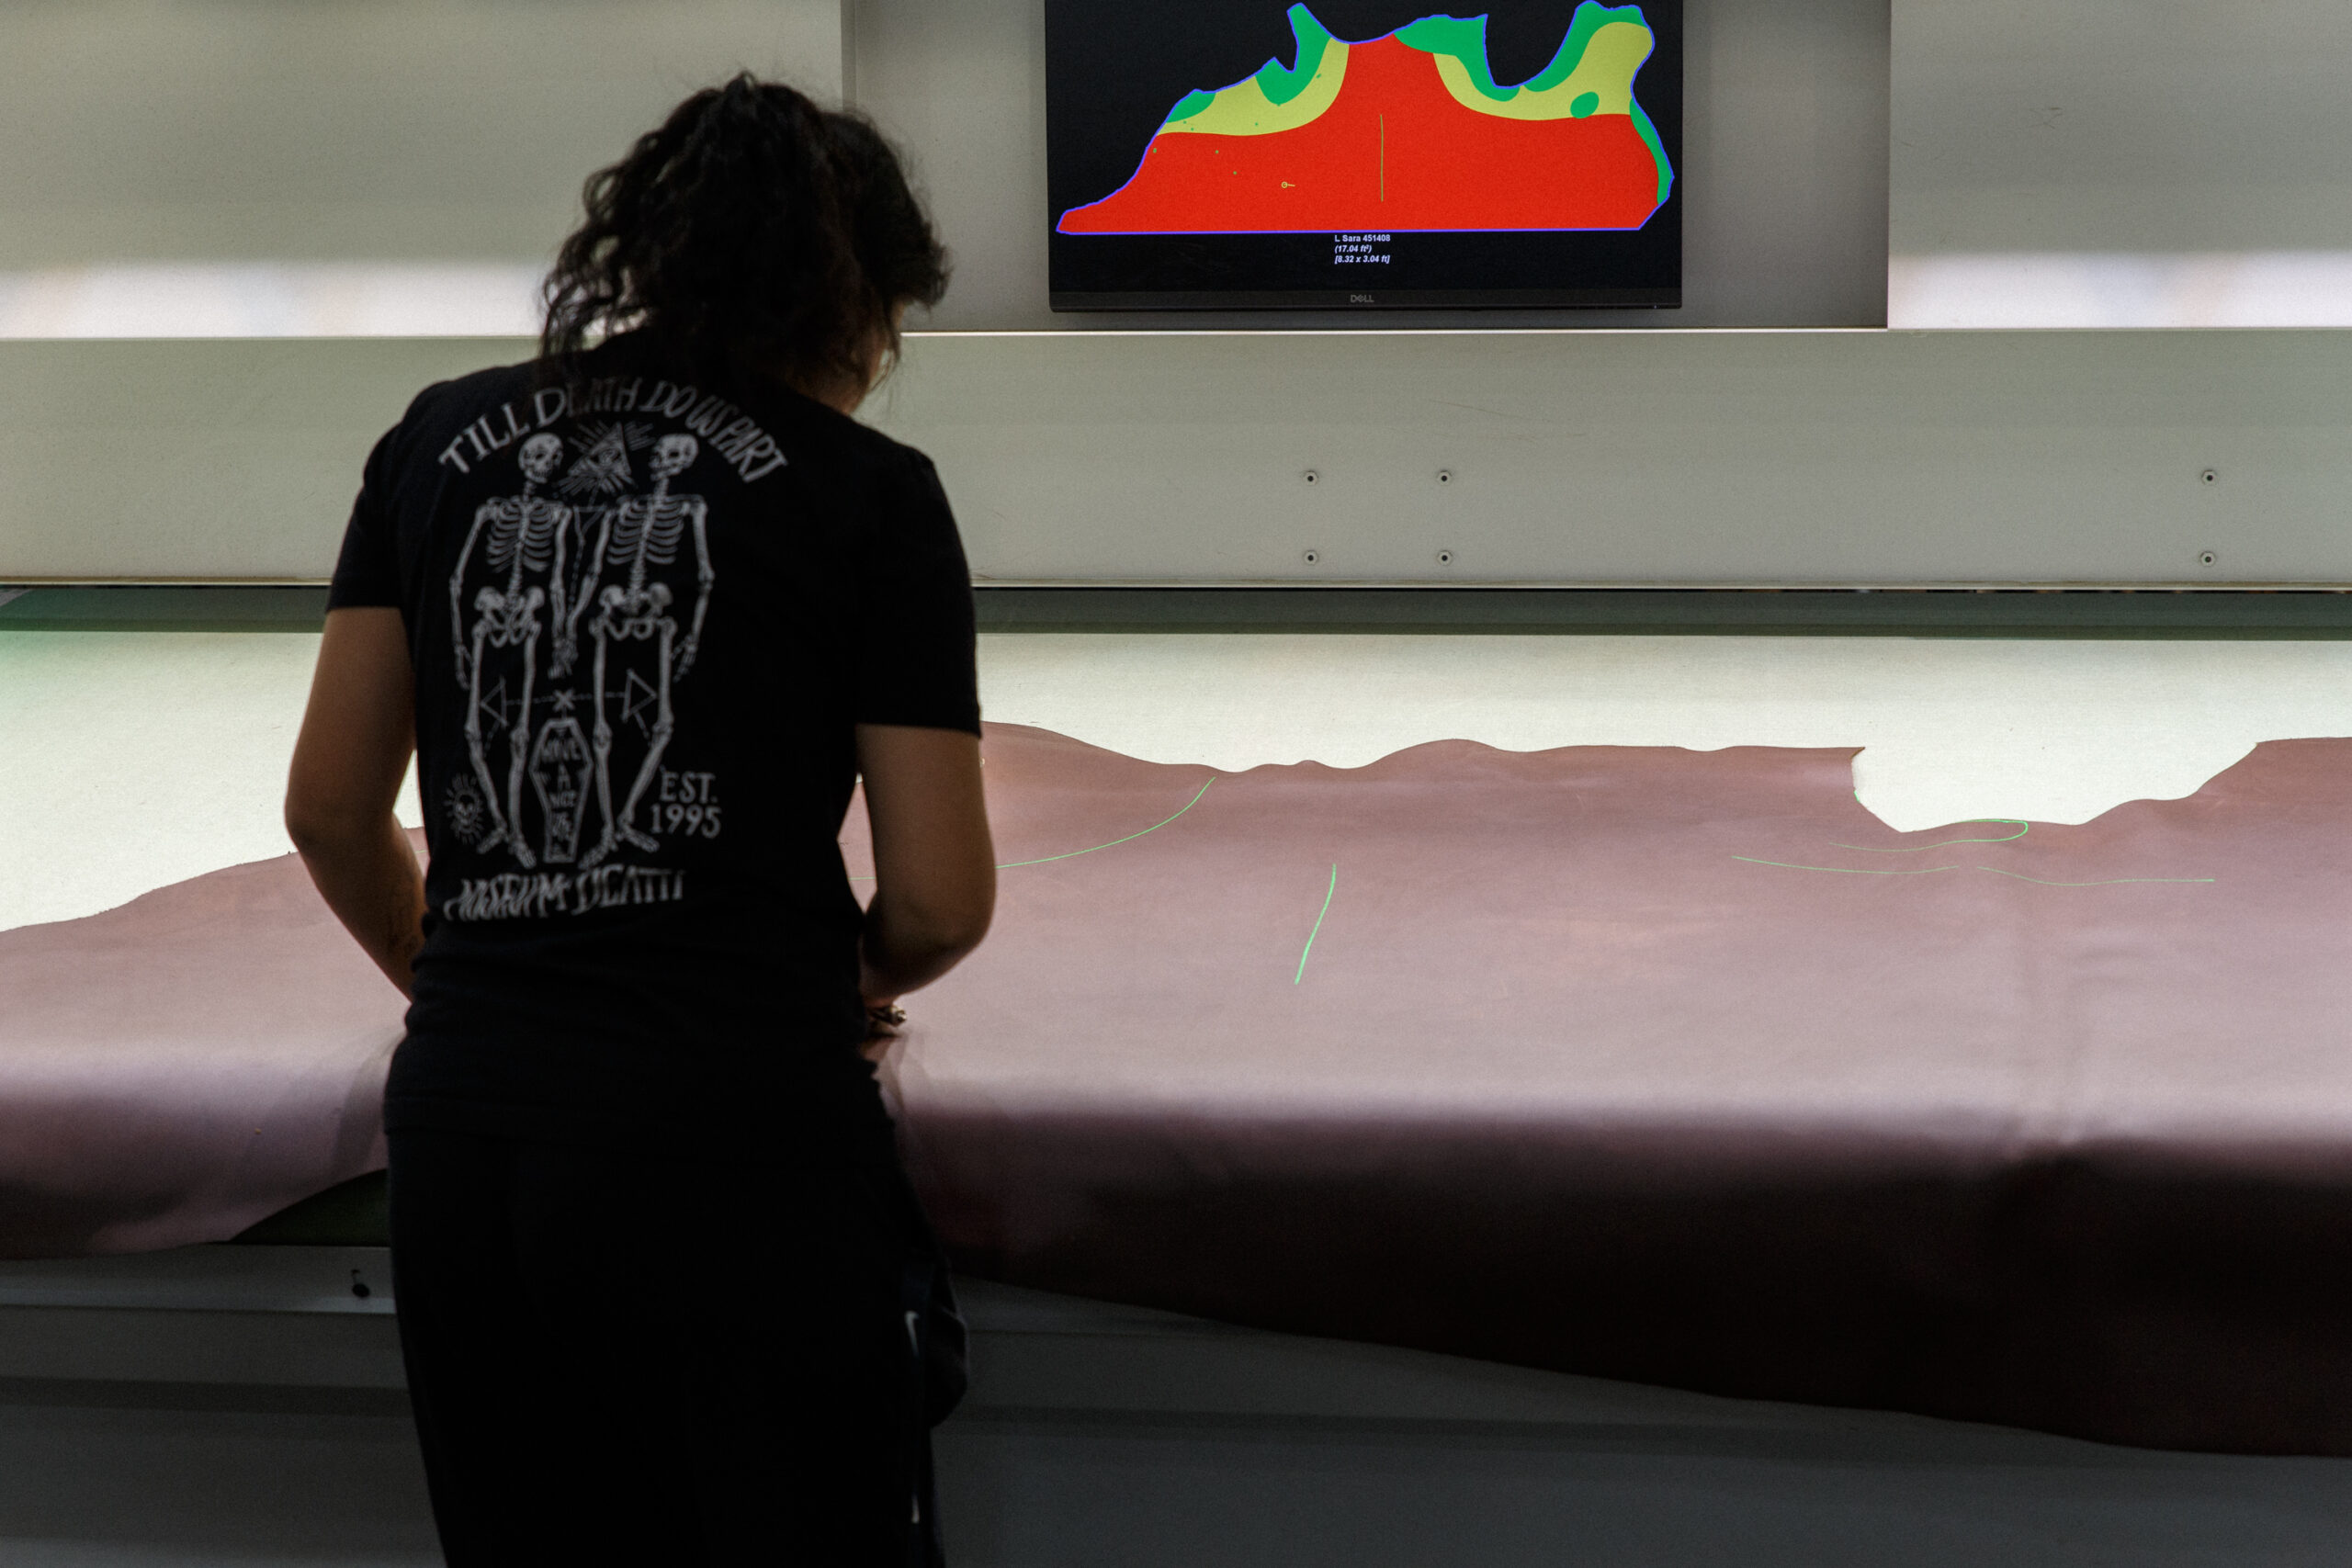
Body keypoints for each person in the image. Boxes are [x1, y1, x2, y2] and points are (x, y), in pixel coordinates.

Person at [283, 75, 994, 1565]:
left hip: (470, 1137)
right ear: (857, 303)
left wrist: (484, 977)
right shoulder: (871, 494)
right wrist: (840, 978)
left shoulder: (435, 441)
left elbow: (334, 809)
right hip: (735, 1142)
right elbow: (938, 899)